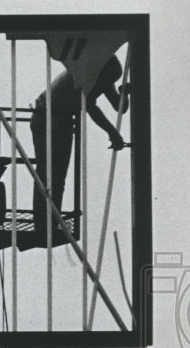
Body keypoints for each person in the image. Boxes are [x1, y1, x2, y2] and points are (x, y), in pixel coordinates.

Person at [29, 55, 129, 244]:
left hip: (63, 122)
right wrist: (112, 132)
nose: (108, 84)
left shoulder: (102, 78)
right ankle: (43, 224)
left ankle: (51, 222)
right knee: (47, 174)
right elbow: (90, 106)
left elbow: (119, 107)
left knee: (58, 177)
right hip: (46, 118)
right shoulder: (84, 76)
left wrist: (125, 94)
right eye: (109, 79)